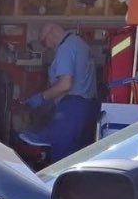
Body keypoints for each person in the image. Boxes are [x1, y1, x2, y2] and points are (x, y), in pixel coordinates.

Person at [24, 22, 100, 163]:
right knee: (79, 157)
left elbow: (65, 84)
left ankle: (56, 184)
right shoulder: (80, 44)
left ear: (51, 33)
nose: (46, 46)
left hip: (72, 108)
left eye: (44, 41)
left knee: (61, 159)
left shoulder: (65, 47)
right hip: (88, 107)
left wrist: (42, 97)